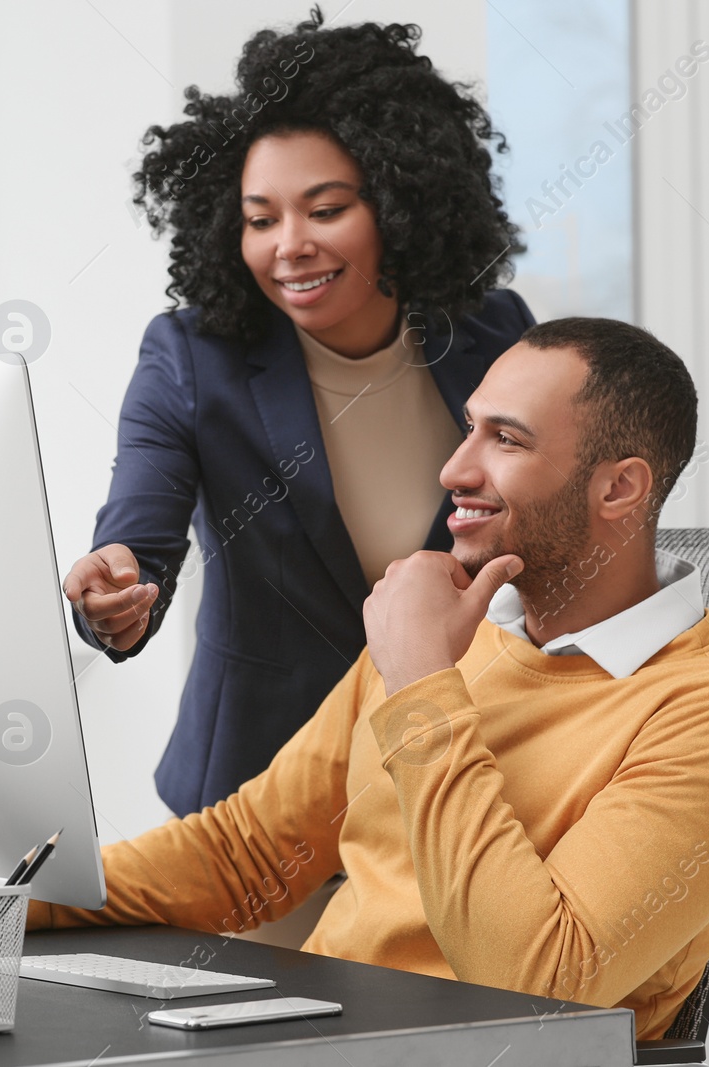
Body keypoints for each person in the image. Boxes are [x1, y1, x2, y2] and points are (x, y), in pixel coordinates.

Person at [0, 318, 709, 1040]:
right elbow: (244, 856)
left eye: (504, 439)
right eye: (468, 427)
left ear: (620, 486)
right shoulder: (461, 635)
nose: (456, 466)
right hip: (322, 1037)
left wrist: (420, 687)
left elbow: (533, 983)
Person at [61, 9, 533, 816]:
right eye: (259, 219)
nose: (289, 245)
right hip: (260, 801)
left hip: (456, 779)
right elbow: (138, 538)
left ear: (398, 204)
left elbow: (551, 535)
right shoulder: (191, 359)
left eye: (324, 210)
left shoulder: (495, 336)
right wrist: (116, 592)